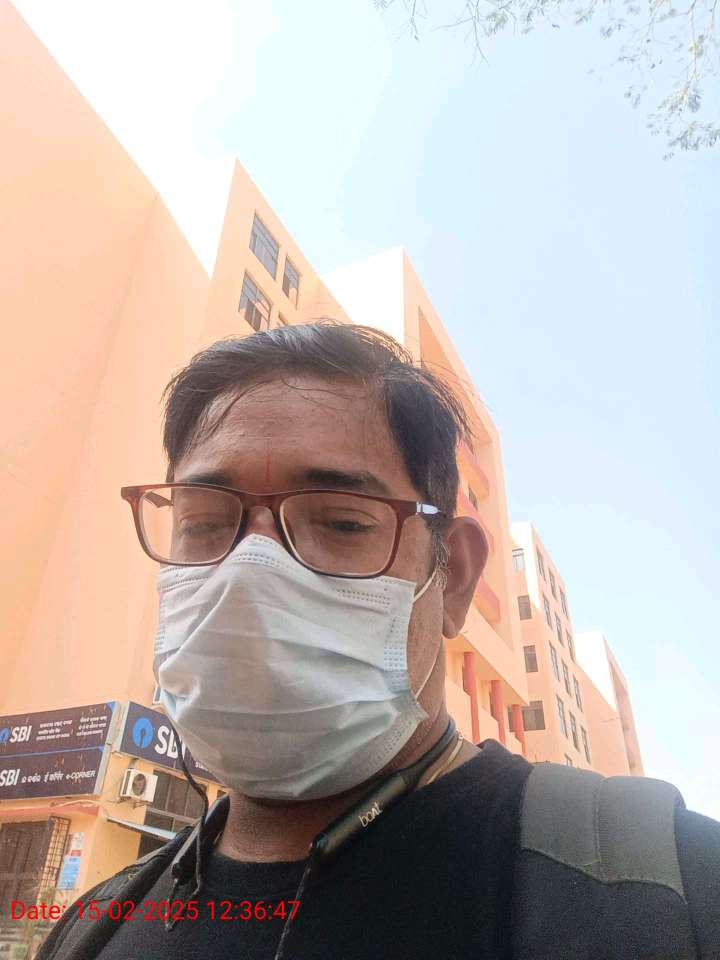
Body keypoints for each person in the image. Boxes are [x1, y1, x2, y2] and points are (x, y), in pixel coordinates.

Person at [37, 322, 720, 960]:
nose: (248, 573)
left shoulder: (668, 893)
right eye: (206, 521)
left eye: (341, 522)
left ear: (453, 577)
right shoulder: (91, 927)